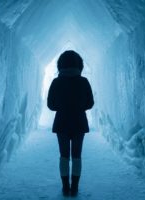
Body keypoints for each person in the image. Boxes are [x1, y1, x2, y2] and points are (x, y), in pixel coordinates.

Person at [47, 50, 94, 196]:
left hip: (61, 122)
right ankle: (75, 187)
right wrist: (78, 107)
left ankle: (65, 186)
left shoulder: (56, 82)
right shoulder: (84, 81)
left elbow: (51, 105)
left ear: (60, 65)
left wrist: (62, 107)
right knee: (77, 155)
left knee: (64, 155)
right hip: (79, 122)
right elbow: (90, 103)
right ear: (79, 65)